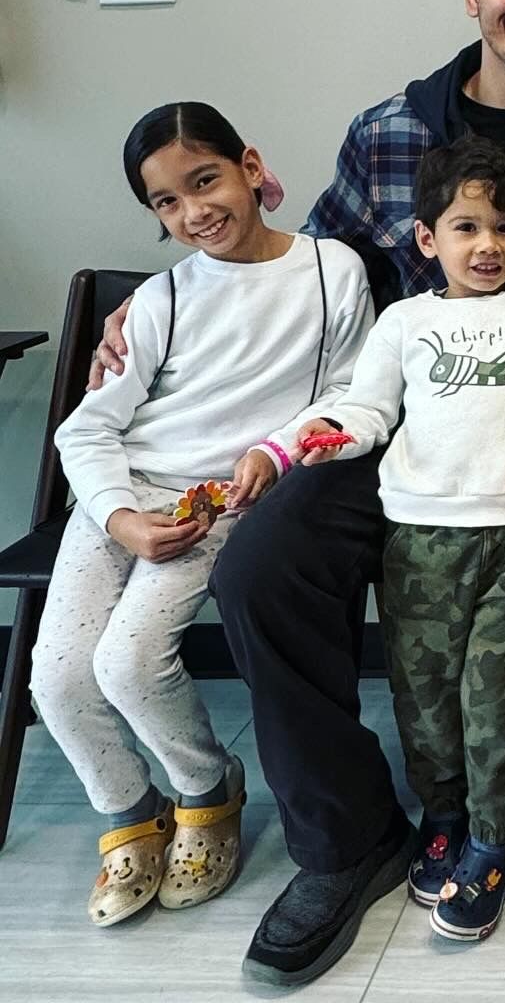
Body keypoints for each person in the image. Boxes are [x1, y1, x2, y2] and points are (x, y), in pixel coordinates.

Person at [91, 0, 505, 990]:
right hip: (414, 438)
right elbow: (306, 275)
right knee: (266, 559)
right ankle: (347, 836)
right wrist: (145, 313)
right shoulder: (388, 135)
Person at [34, 102, 371, 928]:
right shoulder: (160, 299)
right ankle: (127, 810)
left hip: (213, 502)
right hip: (119, 499)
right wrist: (118, 519)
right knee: (56, 676)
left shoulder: (332, 269)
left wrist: (279, 447)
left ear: (251, 168)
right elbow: (88, 429)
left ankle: (205, 790)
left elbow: (348, 393)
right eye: (167, 202)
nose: (194, 212)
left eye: (206, 180)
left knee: (128, 665)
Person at [295, 136, 505, 946]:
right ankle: (442, 818)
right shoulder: (405, 321)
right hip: (421, 538)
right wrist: (328, 434)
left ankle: (494, 838)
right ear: (427, 239)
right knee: (424, 697)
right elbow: (368, 409)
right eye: (466, 228)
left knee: (494, 700)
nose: (488, 245)